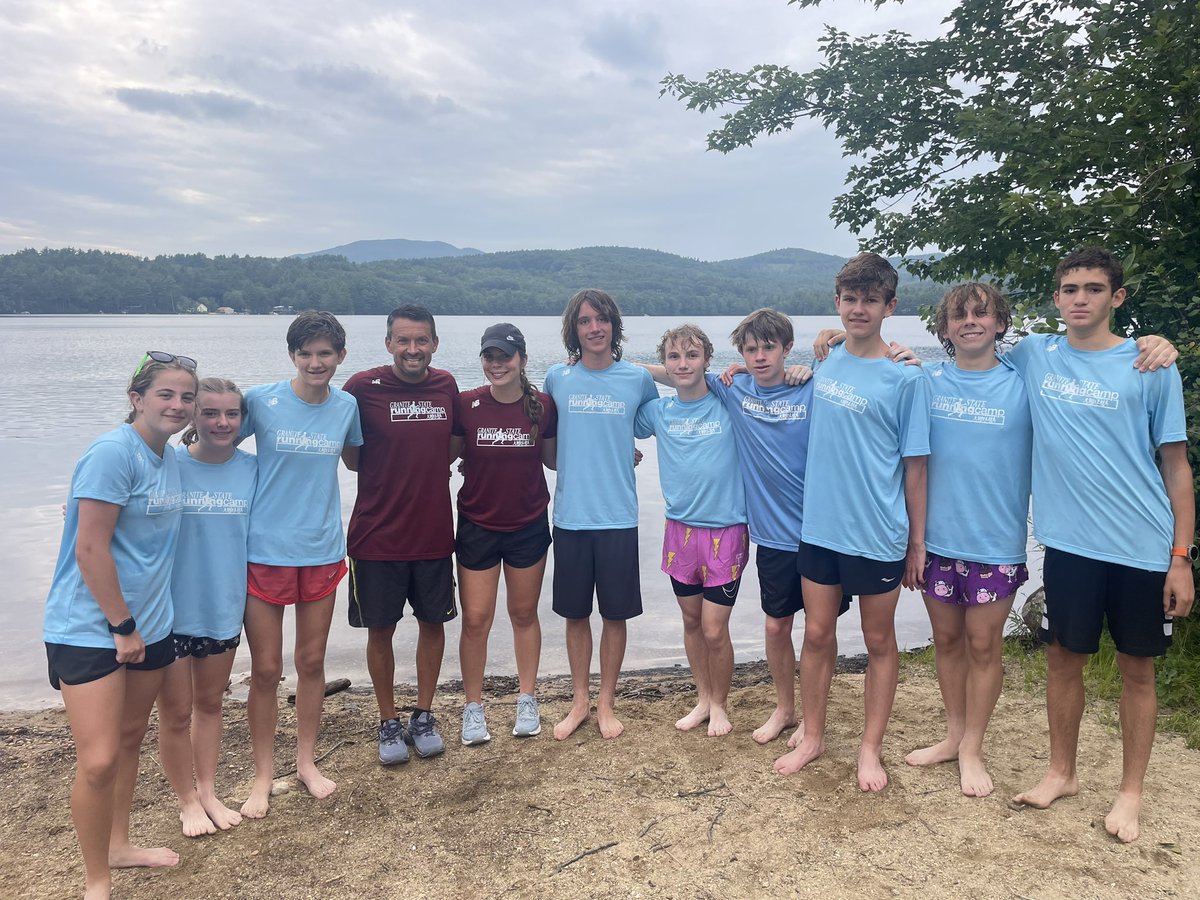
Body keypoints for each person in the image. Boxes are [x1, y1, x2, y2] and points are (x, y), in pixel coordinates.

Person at [1009, 247, 1193, 843]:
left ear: (1117, 298)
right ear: (1056, 298)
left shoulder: (1150, 366)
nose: (1079, 298)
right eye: (1068, 289)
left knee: (1137, 670)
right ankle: (1061, 772)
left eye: (1092, 288)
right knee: (1064, 660)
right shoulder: (1036, 354)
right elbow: (965, 355)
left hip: (1142, 545)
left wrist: (1181, 559)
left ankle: (1130, 791)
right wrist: (837, 343)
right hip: (1069, 546)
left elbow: (1176, 467)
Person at [43, 351, 197, 900]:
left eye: (186, 397)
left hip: (151, 627)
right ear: (136, 398)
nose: (177, 405)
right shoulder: (113, 452)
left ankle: (119, 844)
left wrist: (147, 626)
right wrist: (122, 625)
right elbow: (89, 548)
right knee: (100, 757)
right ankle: (96, 880)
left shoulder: (170, 458)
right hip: (90, 627)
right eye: (165, 394)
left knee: (131, 739)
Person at [779, 252, 931, 792]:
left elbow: (916, 468)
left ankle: (870, 749)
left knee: (878, 640)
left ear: (890, 306)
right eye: (850, 299)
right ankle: (814, 734)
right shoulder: (828, 358)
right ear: (838, 303)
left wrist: (917, 543)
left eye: (871, 299)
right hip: (820, 528)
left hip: (878, 533)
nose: (859, 308)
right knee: (817, 633)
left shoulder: (907, 378)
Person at [898, 284, 1032, 798]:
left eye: (982, 313)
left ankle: (973, 746)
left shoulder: (1023, 381)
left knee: (983, 644)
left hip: (995, 542)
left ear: (1000, 323)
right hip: (936, 542)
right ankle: (953, 735)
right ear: (945, 327)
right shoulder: (926, 381)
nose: (970, 321)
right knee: (948, 642)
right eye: (959, 315)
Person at [239, 312, 363, 816]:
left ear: (340, 357)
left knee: (311, 663)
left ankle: (306, 762)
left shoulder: (347, 406)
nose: (316, 362)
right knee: (266, 669)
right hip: (264, 550)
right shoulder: (261, 401)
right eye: (306, 353)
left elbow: (359, 461)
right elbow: (210, 440)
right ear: (292, 355)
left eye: (325, 354)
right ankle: (262, 774)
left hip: (322, 549)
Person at [342, 304, 460, 764]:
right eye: (404, 341)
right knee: (381, 629)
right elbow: (352, 457)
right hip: (375, 537)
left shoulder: (446, 386)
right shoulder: (361, 388)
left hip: (432, 533)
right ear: (389, 343)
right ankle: (388, 721)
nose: (413, 349)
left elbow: (453, 444)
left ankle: (423, 714)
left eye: (422, 341)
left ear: (434, 343)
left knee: (433, 624)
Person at [543, 289, 659, 741]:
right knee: (575, 615)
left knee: (615, 615)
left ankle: (607, 702)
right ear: (574, 329)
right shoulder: (557, 378)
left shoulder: (635, 379)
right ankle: (579, 701)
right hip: (570, 515)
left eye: (603, 320)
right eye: (586, 321)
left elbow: (677, 395)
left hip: (618, 517)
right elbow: (546, 437)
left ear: (614, 326)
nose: (595, 328)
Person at [634, 324, 749, 736]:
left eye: (692, 355)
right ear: (664, 363)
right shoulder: (658, 412)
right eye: (674, 357)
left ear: (707, 360)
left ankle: (720, 704)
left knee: (715, 628)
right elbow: (616, 406)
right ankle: (702, 699)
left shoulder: (729, 400)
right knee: (691, 621)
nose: (683, 364)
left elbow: (763, 376)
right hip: (679, 531)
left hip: (726, 531)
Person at [157, 378, 257, 834]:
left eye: (231, 414)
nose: (221, 422)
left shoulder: (253, 470)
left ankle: (209, 791)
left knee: (210, 704)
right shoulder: (166, 463)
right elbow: (116, 503)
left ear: (242, 419)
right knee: (175, 713)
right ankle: (186, 800)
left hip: (223, 605)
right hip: (170, 611)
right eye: (211, 413)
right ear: (193, 416)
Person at [453, 323, 557, 744]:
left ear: (523, 361)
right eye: (490, 357)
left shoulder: (545, 406)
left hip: (527, 524)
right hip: (477, 523)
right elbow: (441, 455)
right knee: (476, 619)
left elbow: (554, 460)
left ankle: (526, 699)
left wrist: (621, 448)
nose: (497, 365)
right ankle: (473, 707)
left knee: (523, 614)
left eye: (505, 357)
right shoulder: (465, 404)